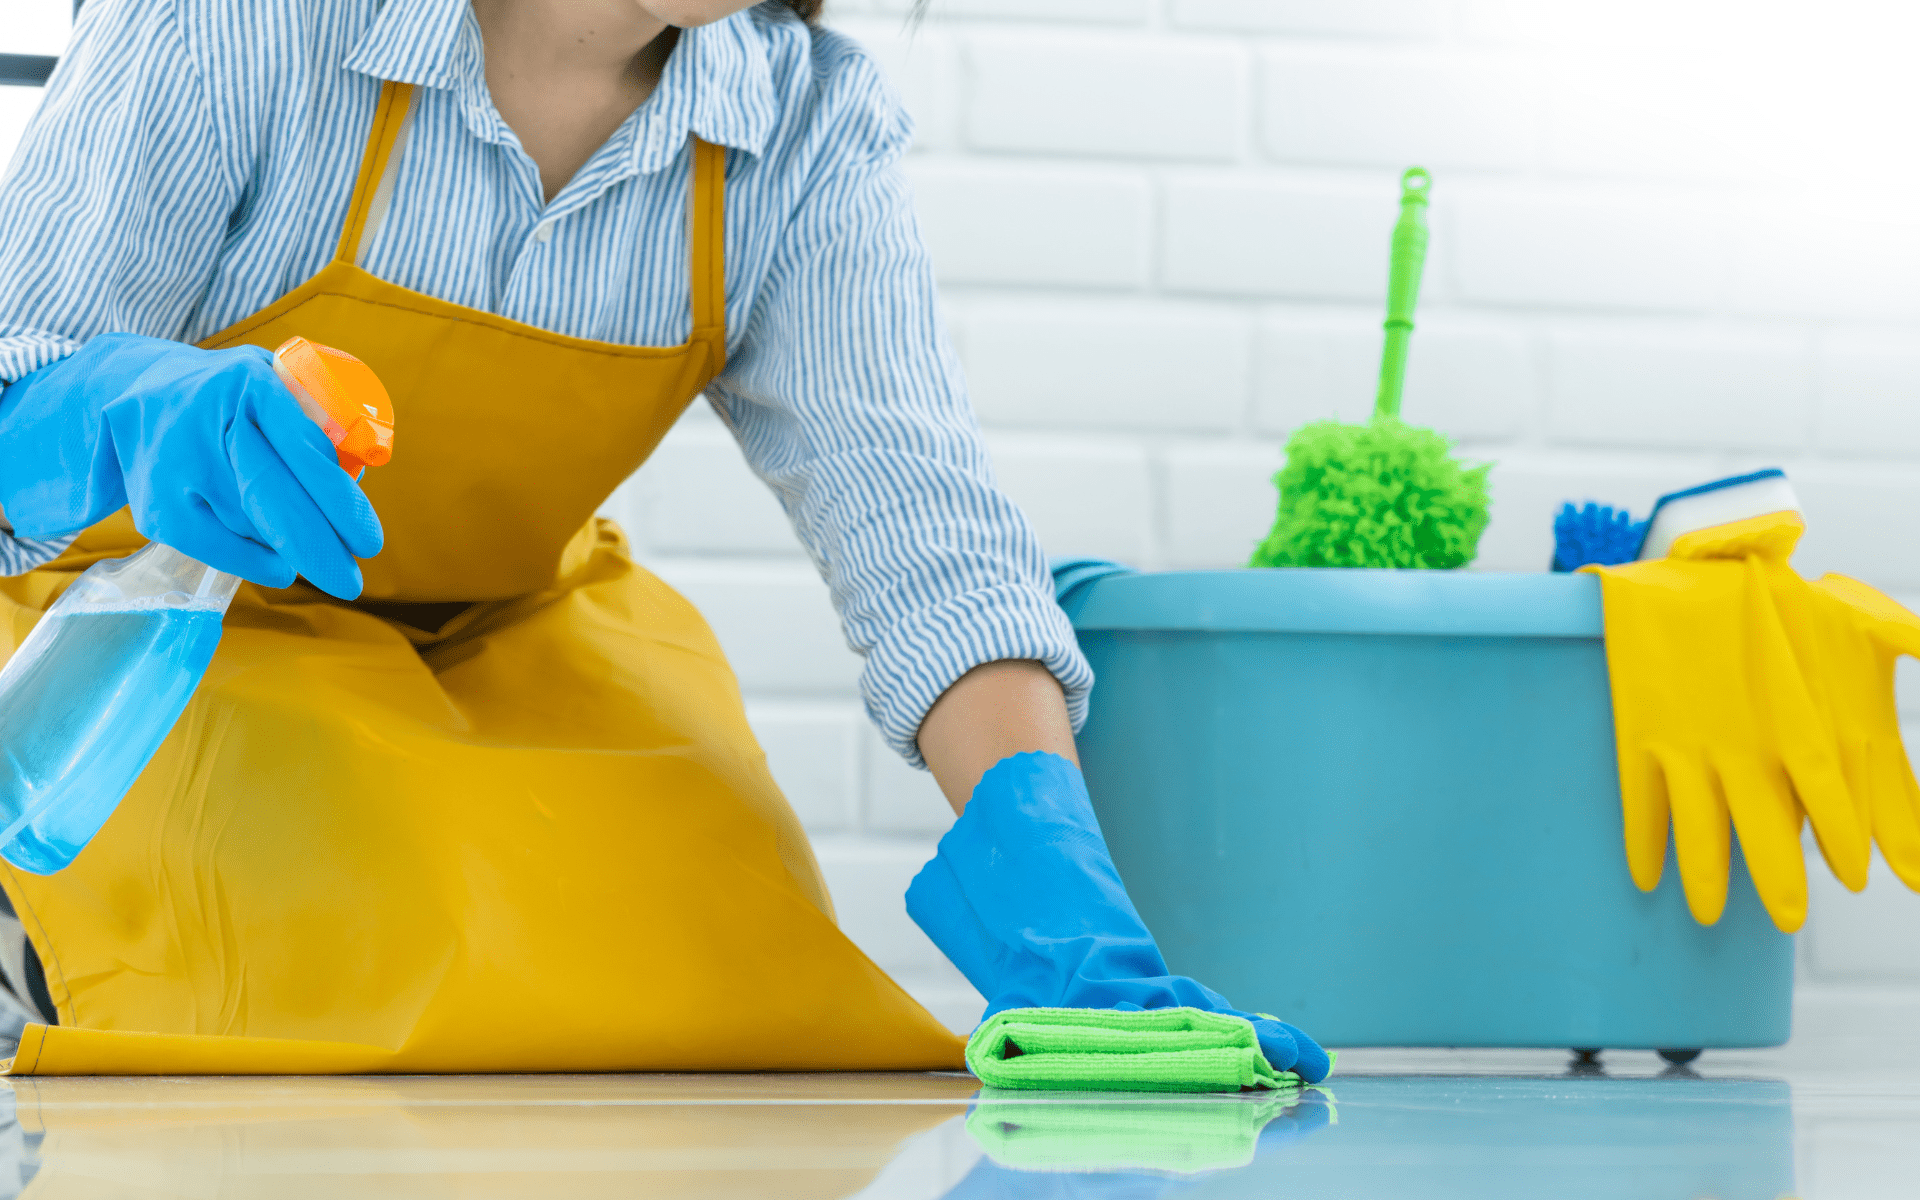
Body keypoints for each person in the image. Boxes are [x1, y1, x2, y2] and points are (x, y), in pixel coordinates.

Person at [0, 0, 1326, 1079]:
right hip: (159, 632)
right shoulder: (245, 22)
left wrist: (1057, 875)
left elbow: (925, 527)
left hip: (512, 641)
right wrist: (127, 420)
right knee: (388, 980)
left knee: (749, 1004)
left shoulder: (803, 126)